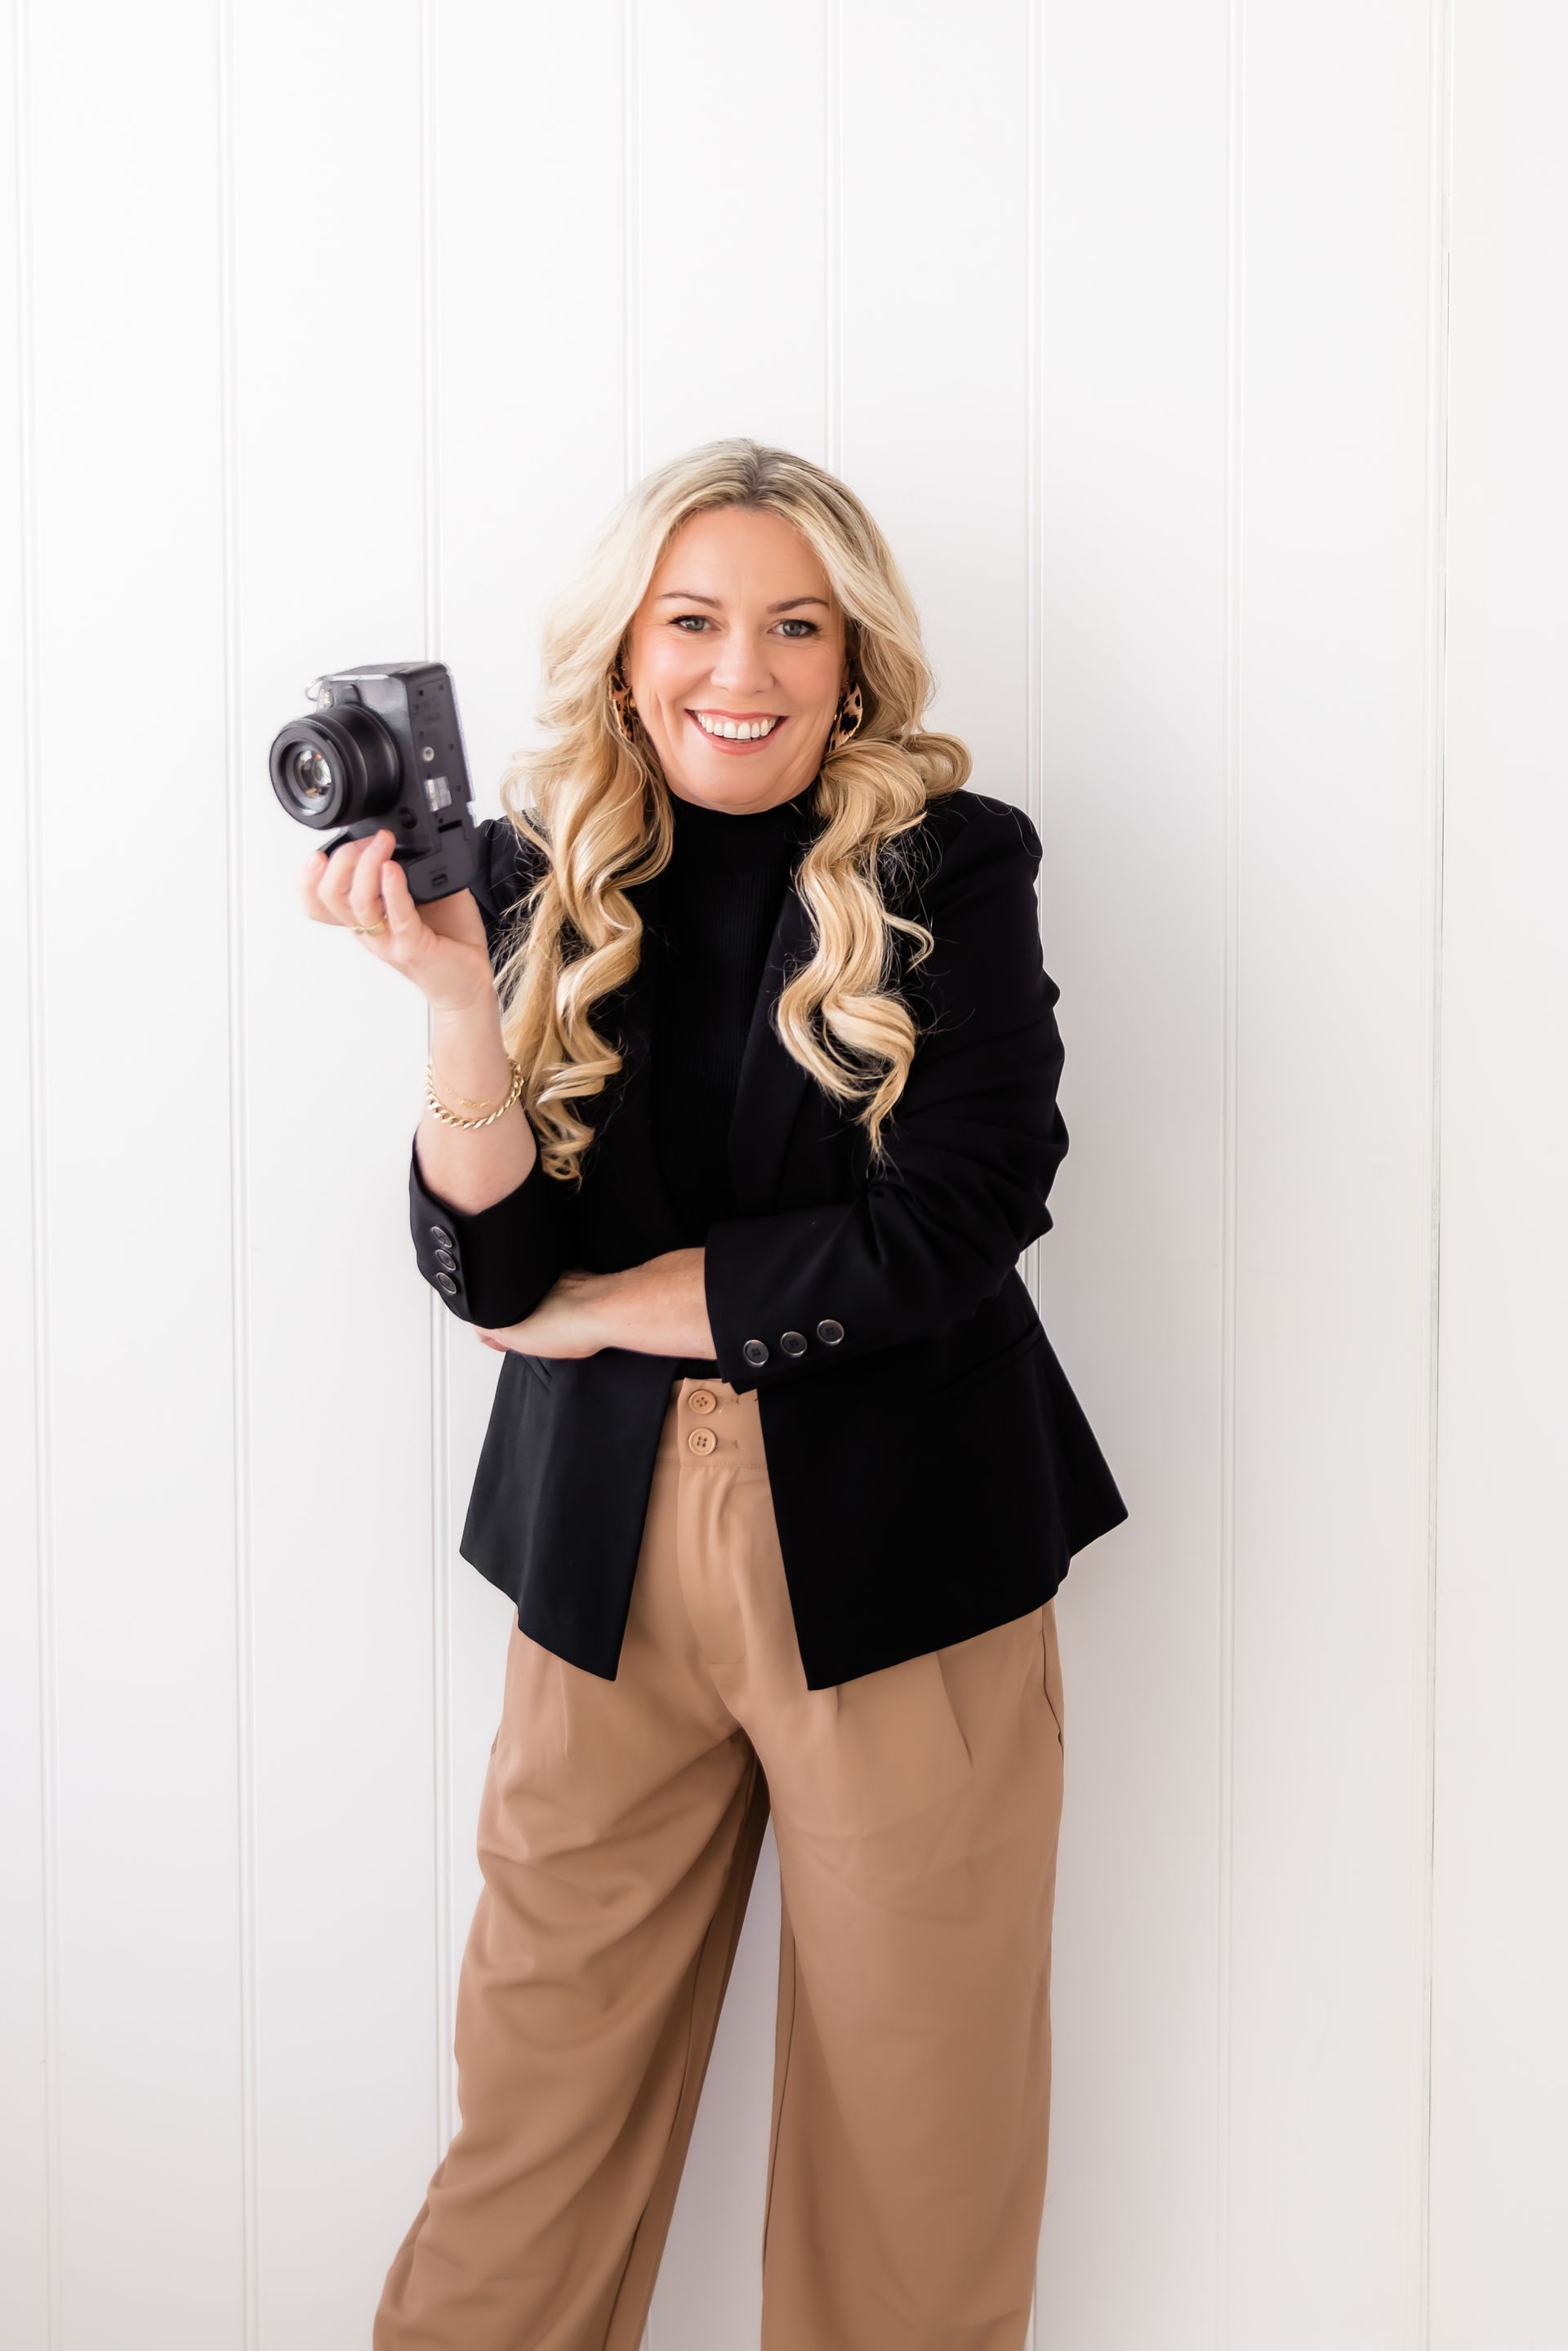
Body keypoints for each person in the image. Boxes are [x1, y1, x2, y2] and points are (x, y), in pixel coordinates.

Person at [300, 437, 1128, 2351]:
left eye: (792, 624)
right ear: (624, 649)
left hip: (905, 1563)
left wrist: (627, 1310)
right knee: (533, 2127)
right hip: (603, 1568)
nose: (735, 669)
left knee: (916, 2166)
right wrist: (451, 1010)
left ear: (854, 660)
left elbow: (971, 1208)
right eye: (690, 620)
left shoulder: (951, 862)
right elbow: (497, 1278)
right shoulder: (527, 876)